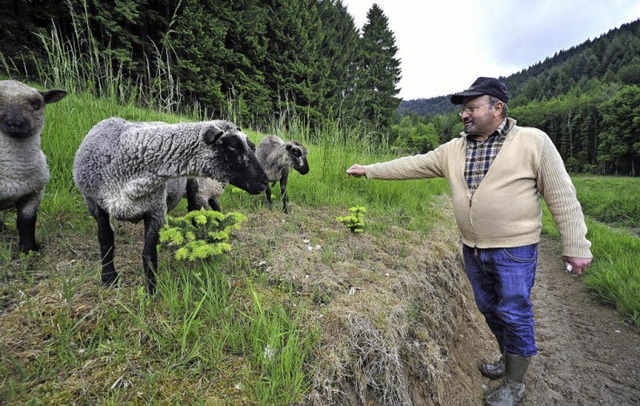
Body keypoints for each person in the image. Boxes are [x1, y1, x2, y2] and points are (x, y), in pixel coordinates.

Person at [346, 77, 593, 406]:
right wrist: (371, 169)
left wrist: (577, 246)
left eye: (472, 107)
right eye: (463, 109)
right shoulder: (453, 149)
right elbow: (414, 163)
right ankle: (508, 360)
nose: (464, 114)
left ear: (497, 108)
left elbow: (562, 197)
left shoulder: (534, 142)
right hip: (473, 249)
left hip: (515, 250)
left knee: (514, 312)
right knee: (489, 309)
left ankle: (515, 383)